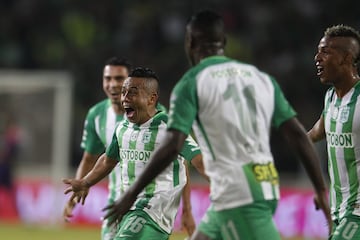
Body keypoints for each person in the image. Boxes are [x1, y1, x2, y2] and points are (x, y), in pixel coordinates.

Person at [101, 10, 332, 240]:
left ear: (189, 43)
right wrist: (321, 189)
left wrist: (131, 193)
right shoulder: (261, 78)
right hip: (259, 186)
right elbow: (298, 135)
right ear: (223, 42)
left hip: (237, 196)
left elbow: (173, 145)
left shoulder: (192, 83)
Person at [62, 57, 199, 239]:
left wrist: (189, 207)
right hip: (120, 204)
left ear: (151, 98)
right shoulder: (112, 122)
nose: (122, 94)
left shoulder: (169, 126)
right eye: (109, 79)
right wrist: (85, 182)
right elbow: (106, 159)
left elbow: (190, 162)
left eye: (129, 89)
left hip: (151, 208)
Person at [308, 25, 360, 240]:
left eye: (326, 52)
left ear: (346, 58)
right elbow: (314, 134)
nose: (317, 58)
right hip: (339, 211)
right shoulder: (331, 98)